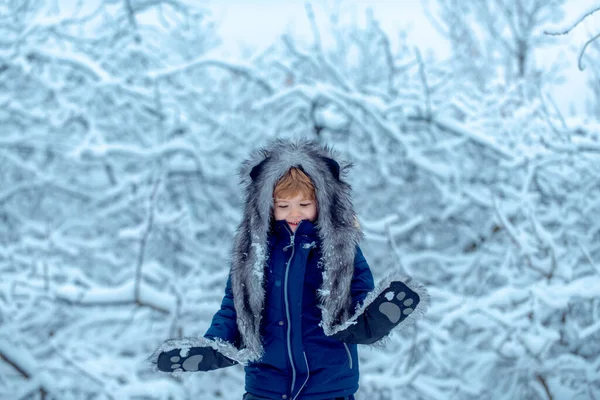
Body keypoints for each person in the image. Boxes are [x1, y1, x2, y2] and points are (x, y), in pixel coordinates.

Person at [152, 139, 428, 400]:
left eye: (304, 205)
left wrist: (368, 315)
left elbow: (357, 292)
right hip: (266, 384)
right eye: (283, 206)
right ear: (266, 207)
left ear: (323, 204)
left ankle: (373, 325)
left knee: (359, 322)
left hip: (328, 385)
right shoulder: (255, 253)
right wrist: (216, 343)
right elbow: (234, 308)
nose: (294, 213)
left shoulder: (340, 249)